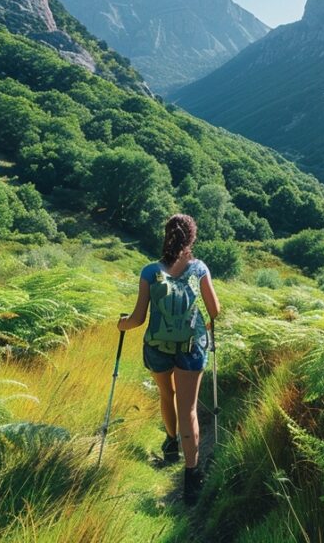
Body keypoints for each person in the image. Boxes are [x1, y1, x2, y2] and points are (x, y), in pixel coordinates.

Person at [118, 213, 220, 502]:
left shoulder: (150, 271)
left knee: (166, 394)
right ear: (191, 238)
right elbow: (215, 311)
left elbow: (137, 319)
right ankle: (192, 476)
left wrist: (121, 324)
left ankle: (171, 443)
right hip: (191, 346)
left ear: (166, 236)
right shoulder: (199, 268)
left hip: (157, 347)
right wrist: (205, 324)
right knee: (188, 409)